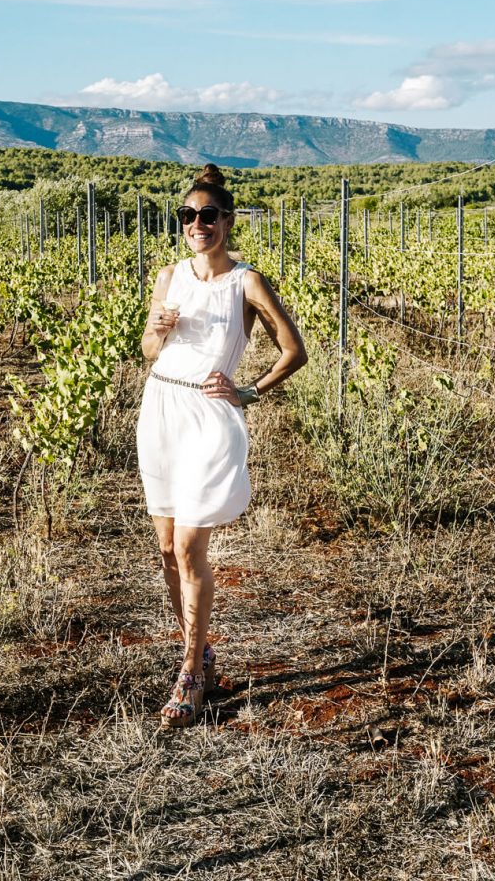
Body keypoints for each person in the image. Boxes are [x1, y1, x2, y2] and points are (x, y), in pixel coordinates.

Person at [136, 163, 307, 728]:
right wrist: (158, 329)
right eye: (188, 215)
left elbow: (294, 350)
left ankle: (188, 673)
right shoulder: (169, 275)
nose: (197, 224)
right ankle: (203, 653)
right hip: (161, 409)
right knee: (165, 549)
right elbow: (147, 351)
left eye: (208, 215)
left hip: (209, 415)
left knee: (189, 549)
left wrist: (248, 391)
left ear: (228, 221)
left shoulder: (246, 281)